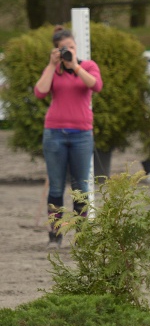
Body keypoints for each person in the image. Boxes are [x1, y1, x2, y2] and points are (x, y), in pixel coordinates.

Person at [34, 26, 103, 246]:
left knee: (80, 187)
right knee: (56, 187)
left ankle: (81, 236)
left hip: (82, 135)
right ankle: (55, 235)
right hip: (55, 134)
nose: (68, 51)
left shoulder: (88, 66)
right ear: (56, 50)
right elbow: (40, 92)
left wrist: (75, 66)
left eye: (71, 47)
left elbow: (96, 85)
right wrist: (51, 65)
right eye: (64, 48)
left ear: (76, 47)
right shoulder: (54, 70)